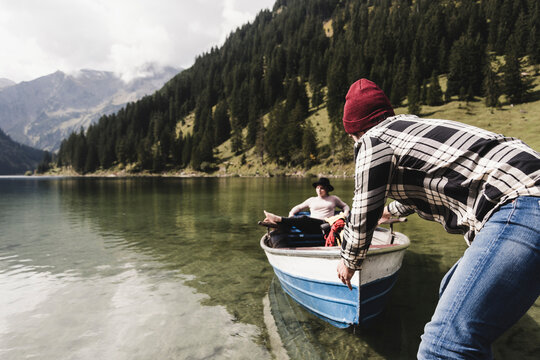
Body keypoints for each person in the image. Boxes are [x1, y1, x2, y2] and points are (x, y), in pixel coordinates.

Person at [336, 78, 540, 359]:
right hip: (527, 194)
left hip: (522, 203)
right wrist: (390, 211)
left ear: (354, 132)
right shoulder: (411, 130)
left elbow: (362, 209)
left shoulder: (373, 140)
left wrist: (349, 261)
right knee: (449, 289)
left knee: (441, 348)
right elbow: (441, 180)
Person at [263, 177, 350, 234]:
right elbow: (298, 207)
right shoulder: (311, 200)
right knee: (301, 220)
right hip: (310, 226)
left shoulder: (333, 199)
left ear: (327, 189)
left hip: (325, 225)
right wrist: (291, 214)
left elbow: (345, 206)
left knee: (304, 218)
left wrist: (346, 213)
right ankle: (278, 223)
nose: (319, 190)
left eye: (322, 188)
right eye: (317, 188)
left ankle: (278, 219)